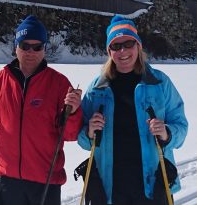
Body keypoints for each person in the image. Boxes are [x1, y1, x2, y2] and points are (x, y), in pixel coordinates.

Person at [0, 15, 83, 205]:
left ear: (44, 48)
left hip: (46, 182)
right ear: (16, 46)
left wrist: (73, 111)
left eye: (37, 47)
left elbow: (70, 134)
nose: (31, 52)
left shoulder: (59, 83)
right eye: (25, 46)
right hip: (9, 181)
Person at [77, 15, 188, 205]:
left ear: (138, 46)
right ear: (109, 51)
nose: (123, 51)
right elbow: (83, 139)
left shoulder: (159, 83)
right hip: (110, 187)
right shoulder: (97, 88)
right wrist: (88, 131)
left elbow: (181, 126)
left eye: (128, 43)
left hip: (152, 184)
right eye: (116, 46)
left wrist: (167, 133)